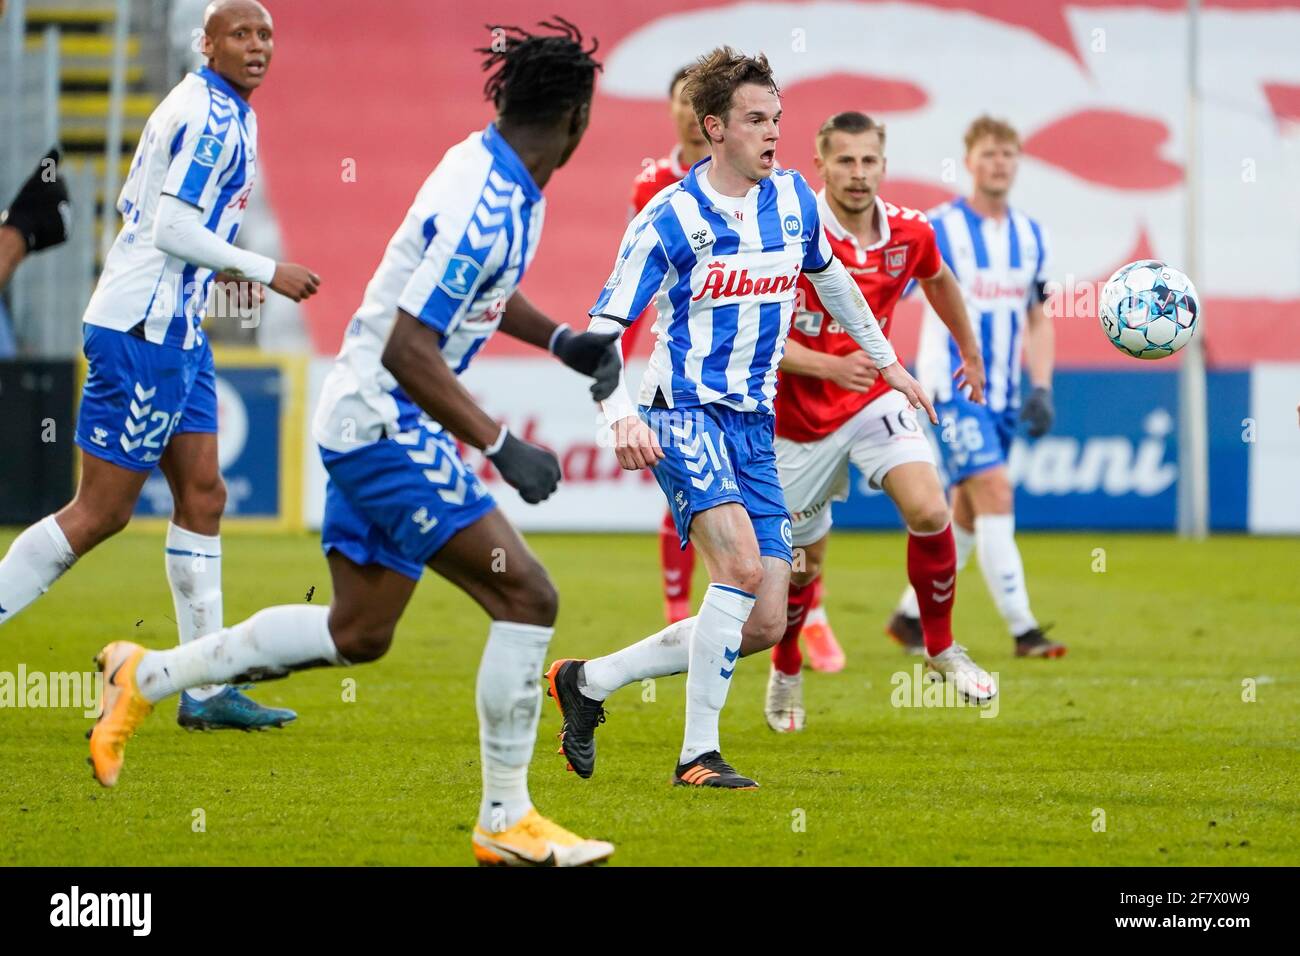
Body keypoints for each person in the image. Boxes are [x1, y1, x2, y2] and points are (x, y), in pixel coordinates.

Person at [87, 18, 621, 868]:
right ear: (579, 118)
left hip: (362, 417)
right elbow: (412, 348)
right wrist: (501, 443)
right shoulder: (488, 201)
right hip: (383, 424)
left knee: (361, 630)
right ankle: (505, 820)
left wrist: (562, 341)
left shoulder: (498, 174)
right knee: (528, 598)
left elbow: (483, 295)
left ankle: (144, 677)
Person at [546, 48, 935, 789]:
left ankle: (587, 681)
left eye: (777, 119)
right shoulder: (669, 219)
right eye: (757, 120)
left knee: (764, 621)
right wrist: (619, 416)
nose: (772, 133)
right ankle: (698, 755)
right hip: (683, 411)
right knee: (741, 568)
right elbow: (599, 333)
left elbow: (837, 283)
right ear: (714, 128)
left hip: (756, 426)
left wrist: (888, 364)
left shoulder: (792, 200)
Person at [0, 0, 318, 730]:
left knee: (203, 495)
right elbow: (173, 225)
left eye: (265, 33)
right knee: (101, 511)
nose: (257, 44)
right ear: (205, 44)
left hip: (179, 333)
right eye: (240, 33)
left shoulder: (223, 107)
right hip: (142, 329)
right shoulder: (209, 115)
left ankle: (204, 688)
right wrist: (266, 269)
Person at [763, 112, 992, 732]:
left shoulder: (910, 233)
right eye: (845, 161)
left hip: (875, 399)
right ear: (821, 165)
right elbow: (756, 334)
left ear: (883, 165)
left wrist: (968, 348)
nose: (858, 174)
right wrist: (827, 368)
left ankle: (941, 648)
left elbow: (938, 278)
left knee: (929, 510)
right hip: (794, 419)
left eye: (868, 161)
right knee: (799, 568)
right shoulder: (788, 230)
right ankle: (786, 667)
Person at [891, 115, 1066, 658]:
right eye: (989, 154)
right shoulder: (938, 227)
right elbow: (888, 294)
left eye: (1008, 154)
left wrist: (1042, 386)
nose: (999, 163)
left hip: (1008, 395)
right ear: (969, 161)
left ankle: (908, 616)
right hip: (954, 390)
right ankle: (1024, 630)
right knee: (995, 490)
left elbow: (1038, 316)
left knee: (966, 507)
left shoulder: (1032, 235)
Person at [0, 147, 70, 292]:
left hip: (25, 230)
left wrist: (56, 152)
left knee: (7, 251)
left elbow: (52, 158)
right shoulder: (44, 194)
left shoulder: (41, 184)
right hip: (37, 234)